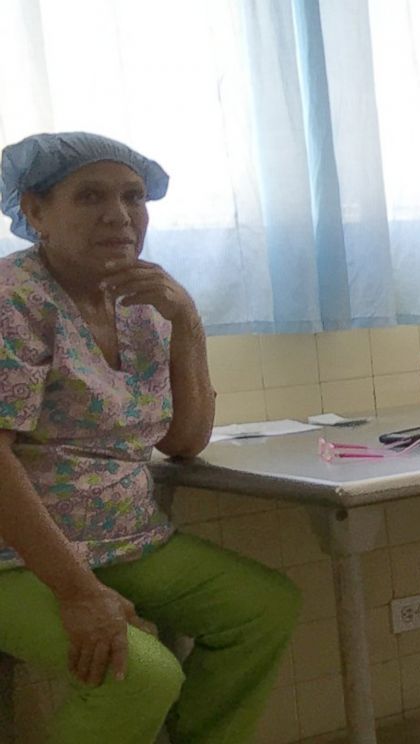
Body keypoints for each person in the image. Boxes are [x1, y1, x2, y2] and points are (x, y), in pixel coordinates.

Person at [0, 132, 300, 744]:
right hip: (17, 559)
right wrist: (80, 595)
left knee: (263, 609)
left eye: (134, 196)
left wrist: (187, 323)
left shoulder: (139, 298)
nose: (120, 214)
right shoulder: (14, 300)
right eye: (90, 196)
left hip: (127, 539)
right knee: (139, 675)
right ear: (34, 212)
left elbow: (184, 443)